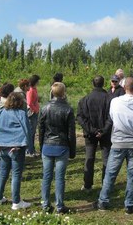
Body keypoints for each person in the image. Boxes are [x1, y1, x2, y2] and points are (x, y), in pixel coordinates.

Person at [96, 77, 133, 214]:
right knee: (132, 175)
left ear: (124, 87)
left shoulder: (115, 101)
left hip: (118, 141)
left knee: (111, 173)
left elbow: (112, 117)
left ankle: (103, 200)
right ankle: (130, 203)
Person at [0, 92, 32, 210]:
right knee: (16, 174)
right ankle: (16, 202)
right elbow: (27, 130)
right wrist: (29, 147)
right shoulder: (21, 114)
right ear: (20, 102)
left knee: (2, 173)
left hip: (2, 147)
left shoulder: (0, 113)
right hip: (16, 148)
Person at [39, 82, 76, 214]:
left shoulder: (44, 108)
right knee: (60, 177)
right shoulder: (68, 109)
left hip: (47, 145)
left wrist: (41, 146)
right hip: (62, 146)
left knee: (46, 176)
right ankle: (60, 206)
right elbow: (71, 133)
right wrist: (72, 150)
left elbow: (41, 130)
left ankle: (45, 205)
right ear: (63, 93)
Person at [77, 76, 112, 191]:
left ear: (93, 83)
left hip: (91, 133)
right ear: (103, 83)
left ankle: (87, 185)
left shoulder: (85, 99)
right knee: (106, 158)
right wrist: (102, 130)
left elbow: (80, 118)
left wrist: (93, 130)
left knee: (89, 158)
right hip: (104, 133)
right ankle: (106, 185)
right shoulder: (109, 99)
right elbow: (111, 117)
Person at [0, 83, 15, 177]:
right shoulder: (7, 103)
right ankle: (5, 171)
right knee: (8, 151)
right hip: (7, 128)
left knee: (0, 151)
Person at [26, 74, 40, 157]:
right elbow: (29, 103)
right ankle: (29, 151)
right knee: (31, 132)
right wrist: (35, 110)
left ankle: (32, 149)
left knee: (33, 131)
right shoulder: (31, 90)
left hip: (35, 112)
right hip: (32, 113)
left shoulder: (34, 89)